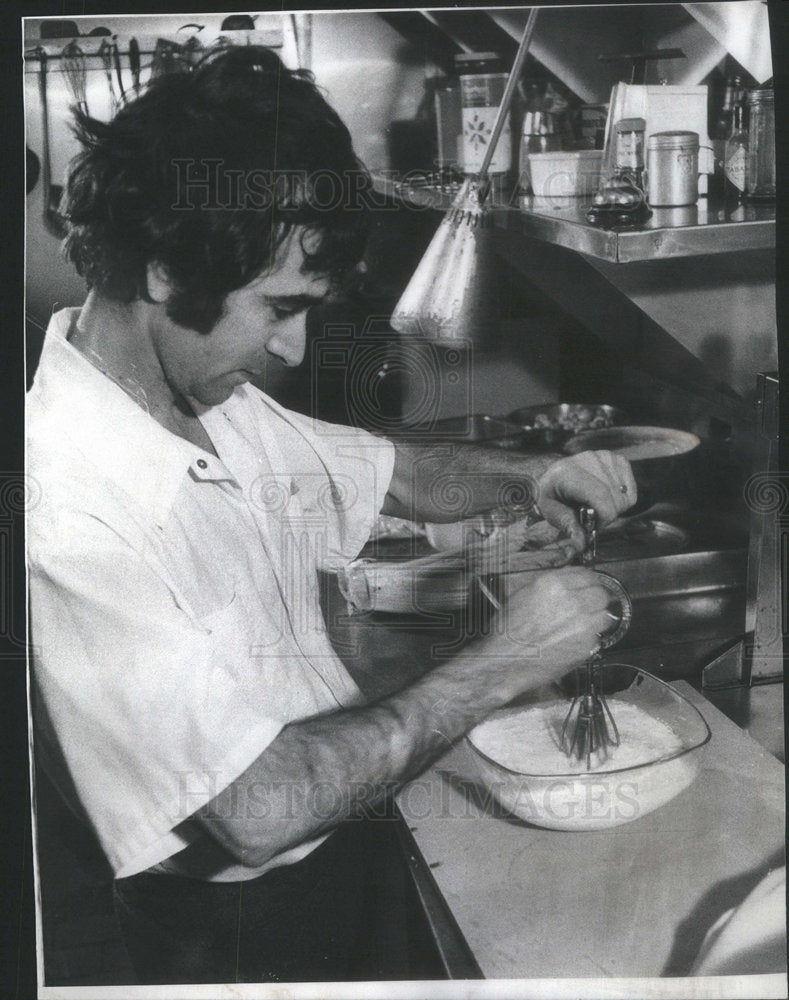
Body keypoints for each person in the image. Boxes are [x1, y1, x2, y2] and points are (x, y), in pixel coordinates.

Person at [27, 46, 637, 984]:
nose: (292, 345)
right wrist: (511, 655)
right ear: (159, 270)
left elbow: (394, 472)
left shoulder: (199, 391)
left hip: (343, 836)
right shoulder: (64, 504)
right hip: (231, 932)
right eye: (277, 306)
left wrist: (536, 475)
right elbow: (258, 808)